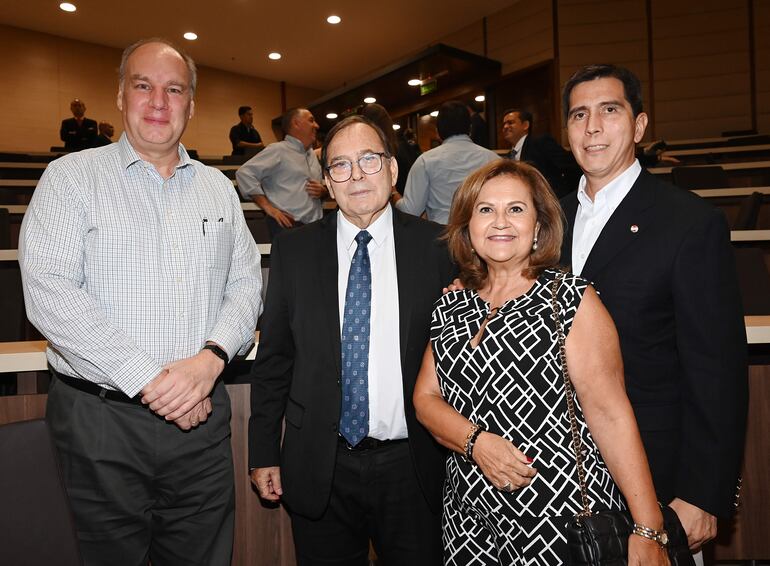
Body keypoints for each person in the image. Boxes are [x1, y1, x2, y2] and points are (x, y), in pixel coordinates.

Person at [19, 38, 262, 566]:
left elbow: (246, 285)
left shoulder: (218, 190)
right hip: (99, 425)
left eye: (174, 89)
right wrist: (153, 382)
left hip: (201, 424)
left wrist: (210, 360)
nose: (158, 101)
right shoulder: (71, 178)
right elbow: (49, 292)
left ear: (191, 106)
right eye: (143, 85)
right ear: (120, 96)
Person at [413, 158, 669, 565]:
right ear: (467, 226)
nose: (500, 222)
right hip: (468, 524)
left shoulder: (570, 300)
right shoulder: (452, 303)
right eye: (485, 209)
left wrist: (647, 527)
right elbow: (426, 397)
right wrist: (477, 444)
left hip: (557, 524)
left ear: (538, 227)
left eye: (516, 209)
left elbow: (612, 417)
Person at [248, 115, 455, 566]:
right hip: (320, 464)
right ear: (326, 181)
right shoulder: (295, 251)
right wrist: (263, 451)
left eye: (369, 160)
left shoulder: (439, 248)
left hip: (414, 466)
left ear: (394, 171)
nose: (356, 175)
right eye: (340, 165)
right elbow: (275, 359)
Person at [559, 64, 748, 556]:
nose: (593, 127)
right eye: (579, 114)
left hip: (657, 473)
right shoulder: (544, 221)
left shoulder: (690, 223)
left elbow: (717, 369)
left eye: (609, 110)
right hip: (556, 476)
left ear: (640, 126)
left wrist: (705, 491)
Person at [394, 100, 499, 224]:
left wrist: (393, 193)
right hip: (485, 232)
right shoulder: (494, 159)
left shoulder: (425, 161)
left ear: (438, 131)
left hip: (442, 235)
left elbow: (410, 211)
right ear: (470, 128)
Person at [236, 107, 325, 238]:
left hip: (316, 228)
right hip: (288, 228)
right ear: (296, 123)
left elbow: (319, 189)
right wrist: (268, 208)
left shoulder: (311, 155)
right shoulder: (278, 150)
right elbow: (244, 173)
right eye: (311, 120)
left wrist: (323, 191)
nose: (316, 125)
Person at [501, 108, 579, 197]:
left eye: (510, 122)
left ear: (525, 125)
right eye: (504, 124)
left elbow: (570, 165)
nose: (505, 127)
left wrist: (566, 198)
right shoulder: (508, 157)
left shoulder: (540, 143)